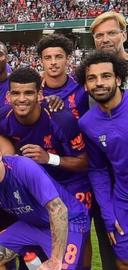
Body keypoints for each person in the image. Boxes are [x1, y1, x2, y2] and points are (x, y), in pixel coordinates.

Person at [0, 67, 92, 269]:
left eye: (28, 93)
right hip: (37, 185)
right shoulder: (2, 118)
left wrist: (49, 158)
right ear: (8, 96)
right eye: (16, 93)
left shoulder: (61, 119)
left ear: (39, 94)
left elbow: (85, 162)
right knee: (36, 240)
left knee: (78, 232)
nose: (22, 99)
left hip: (70, 182)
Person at [0, 131, 90, 270]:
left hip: (68, 221)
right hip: (33, 224)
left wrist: (55, 260)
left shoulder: (23, 167)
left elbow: (58, 209)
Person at [76, 51, 128, 269]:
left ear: (118, 79)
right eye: (92, 78)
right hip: (123, 198)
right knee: (123, 259)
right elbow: (97, 170)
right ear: (85, 85)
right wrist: (107, 212)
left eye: (106, 76)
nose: (99, 83)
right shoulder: (87, 123)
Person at [37, 34, 89, 118]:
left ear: (67, 59)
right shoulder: (34, 91)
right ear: (40, 61)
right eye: (47, 58)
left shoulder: (82, 86)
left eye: (58, 57)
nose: (53, 62)